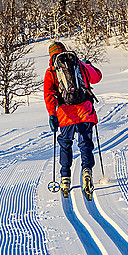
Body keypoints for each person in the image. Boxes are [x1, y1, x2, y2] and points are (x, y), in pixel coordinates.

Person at [43, 40, 102, 196]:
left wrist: (52, 114)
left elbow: (49, 95)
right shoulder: (78, 64)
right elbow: (97, 77)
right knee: (85, 143)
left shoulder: (51, 72)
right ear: (64, 50)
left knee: (65, 144)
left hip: (65, 113)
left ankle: (65, 178)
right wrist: (87, 65)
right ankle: (87, 171)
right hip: (84, 111)